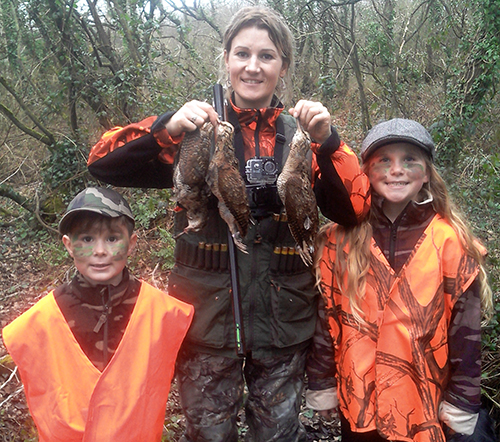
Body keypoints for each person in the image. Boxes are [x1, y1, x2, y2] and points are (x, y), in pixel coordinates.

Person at [87, 6, 370, 441]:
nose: (253, 67)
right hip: (206, 320)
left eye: (267, 56)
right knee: (208, 436)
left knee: (277, 435)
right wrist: (166, 127)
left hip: (282, 321)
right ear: (226, 59)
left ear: (283, 66)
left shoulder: (301, 137)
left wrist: (329, 140)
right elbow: (103, 163)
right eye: (242, 54)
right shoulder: (193, 130)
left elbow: (356, 206)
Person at [310, 118, 494, 442]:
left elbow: (466, 334)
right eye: (384, 160)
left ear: (426, 174)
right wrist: (322, 382)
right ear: (365, 171)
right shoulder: (339, 241)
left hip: (422, 407)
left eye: (410, 159)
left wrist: (463, 400)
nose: (397, 170)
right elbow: (327, 319)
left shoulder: (450, 242)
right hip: (359, 405)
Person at [2, 187, 194, 442]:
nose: (100, 251)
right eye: (87, 239)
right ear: (69, 246)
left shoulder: (166, 315)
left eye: (113, 238)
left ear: (132, 243)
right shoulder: (33, 327)